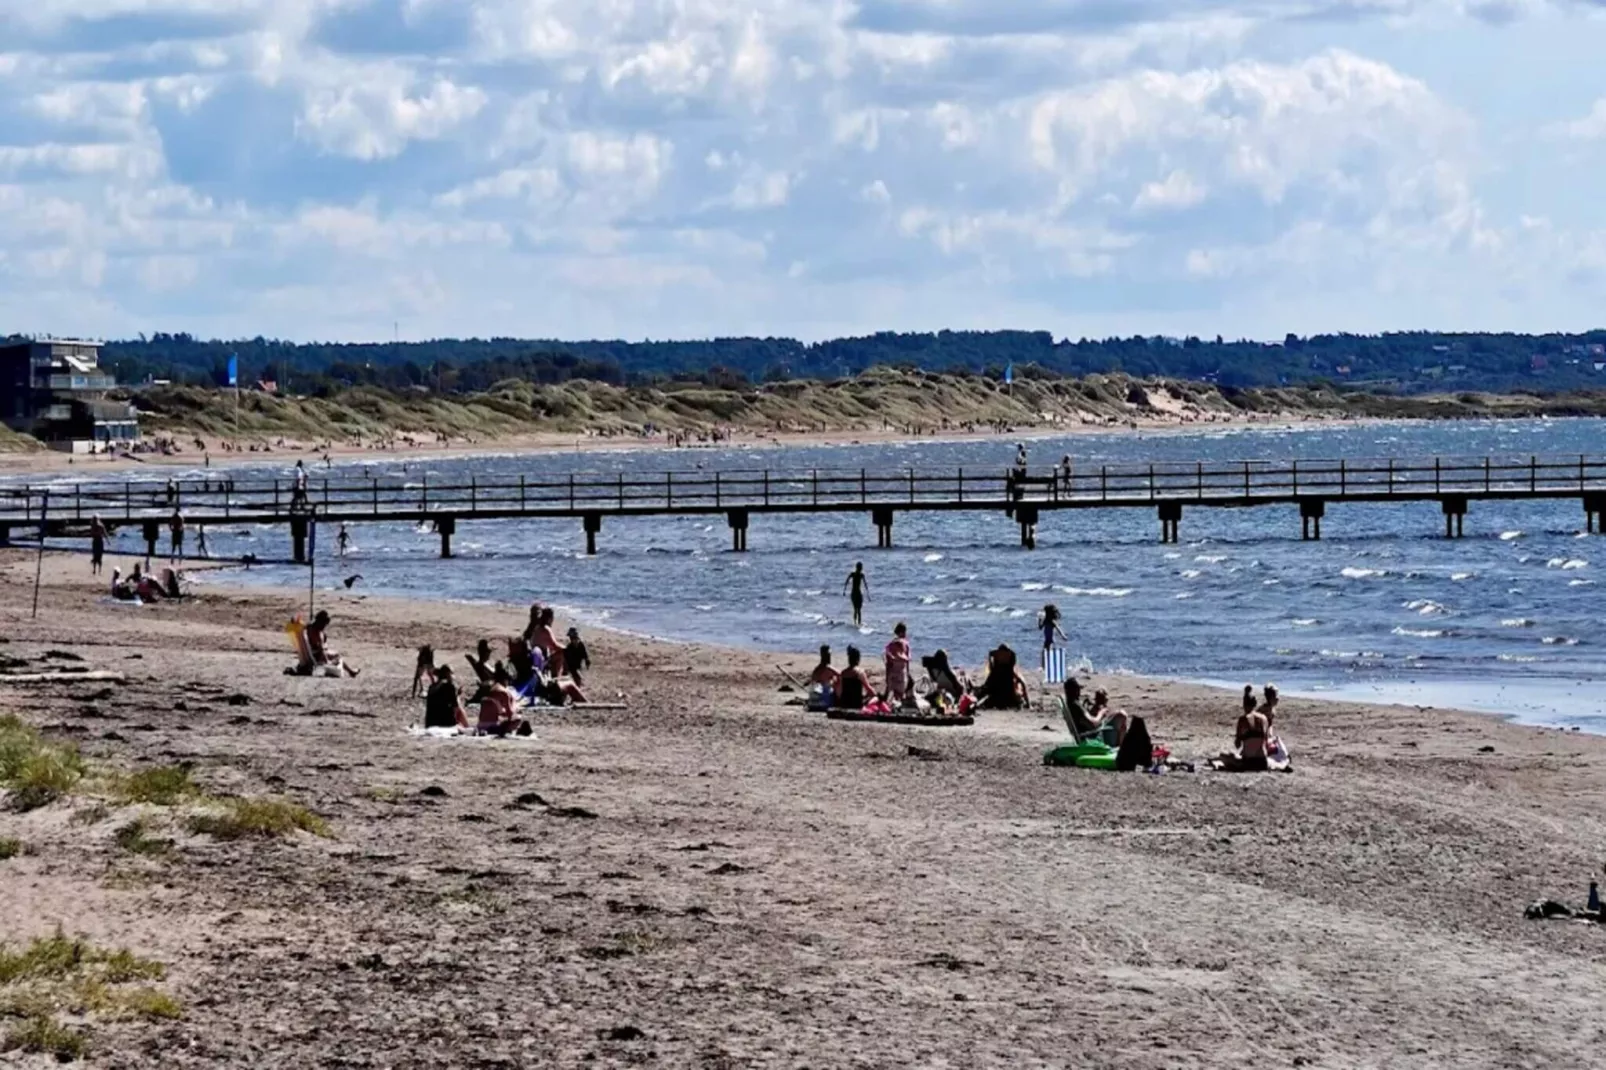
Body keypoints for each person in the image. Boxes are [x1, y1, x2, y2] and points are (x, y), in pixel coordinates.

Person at [476, 665, 533, 736]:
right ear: (505, 679)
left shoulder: (487, 687)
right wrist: (516, 705)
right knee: (518, 718)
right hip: (493, 726)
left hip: (480, 725)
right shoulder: (505, 693)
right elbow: (510, 714)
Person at [1066, 682, 1129, 746]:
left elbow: (1084, 720)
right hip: (1093, 735)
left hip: (1087, 733)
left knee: (1117, 716)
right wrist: (1101, 712)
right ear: (1074, 691)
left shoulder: (1071, 704)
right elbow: (1094, 724)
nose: (1079, 692)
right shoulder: (1076, 705)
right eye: (1078, 689)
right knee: (1122, 715)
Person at [306, 609, 359, 677]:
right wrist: (327, 661)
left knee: (335, 655)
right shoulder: (318, 634)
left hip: (312, 654)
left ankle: (351, 671)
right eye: (324, 624)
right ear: (321, 622)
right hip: (317, 657)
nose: (324, 627)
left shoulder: (309, 628)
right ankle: (351, 672)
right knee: (337, 656)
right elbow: (321, 650)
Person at [979, 643, 1028, 709]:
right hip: (1005, 689)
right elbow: (1022, 684)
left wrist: (991, 666)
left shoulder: (995, 672)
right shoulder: (1009, 667)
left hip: (998, 687)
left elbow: (991, 653)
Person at [423, 664, 468, 730]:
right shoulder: (449, 686)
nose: (453, 677)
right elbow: (456, 707)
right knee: (460, 710)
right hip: (444, 723)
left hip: (430, 723)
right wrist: (458, 696)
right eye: (452, 674)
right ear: (447, 674)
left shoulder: (432, 687)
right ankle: (467, 727)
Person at [834, 645, 873, 710]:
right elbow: (869, 689)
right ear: (858, 659)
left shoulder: (843, 673)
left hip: (845, 704)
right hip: (857, 704)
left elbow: (839, 693)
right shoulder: (860, 672)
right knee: (875, 698)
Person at [883, 622, 913, 706]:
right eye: (904, 631)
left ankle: (888, 707)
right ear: (902, 632)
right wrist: (908, 673)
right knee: (899, 695)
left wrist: (887, 675)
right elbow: (907, 661)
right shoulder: (906, 643)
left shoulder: (890, 645)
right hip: (901, 672)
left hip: (892, 672)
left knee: (891, 694)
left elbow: (888, 663)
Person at [531, 607, 566, 677]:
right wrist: (566, 648)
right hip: (543, 658)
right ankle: (557, 676)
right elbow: (555, 645)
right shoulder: (546, 629)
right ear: (550, 619)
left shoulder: (537, 627)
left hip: (536, 653)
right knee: (562, 654)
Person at [843, 563, 869, 627]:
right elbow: (865, 584)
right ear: (860, 568)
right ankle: (857, 624)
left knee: (857, 609)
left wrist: (844, 590)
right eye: (861, 567)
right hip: (856, 593)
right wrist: (844, 590)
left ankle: (857, 624)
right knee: (857, 609)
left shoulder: (858, 574)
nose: (861, 568)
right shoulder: (857, 574)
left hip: (855, 593)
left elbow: (846, 581)